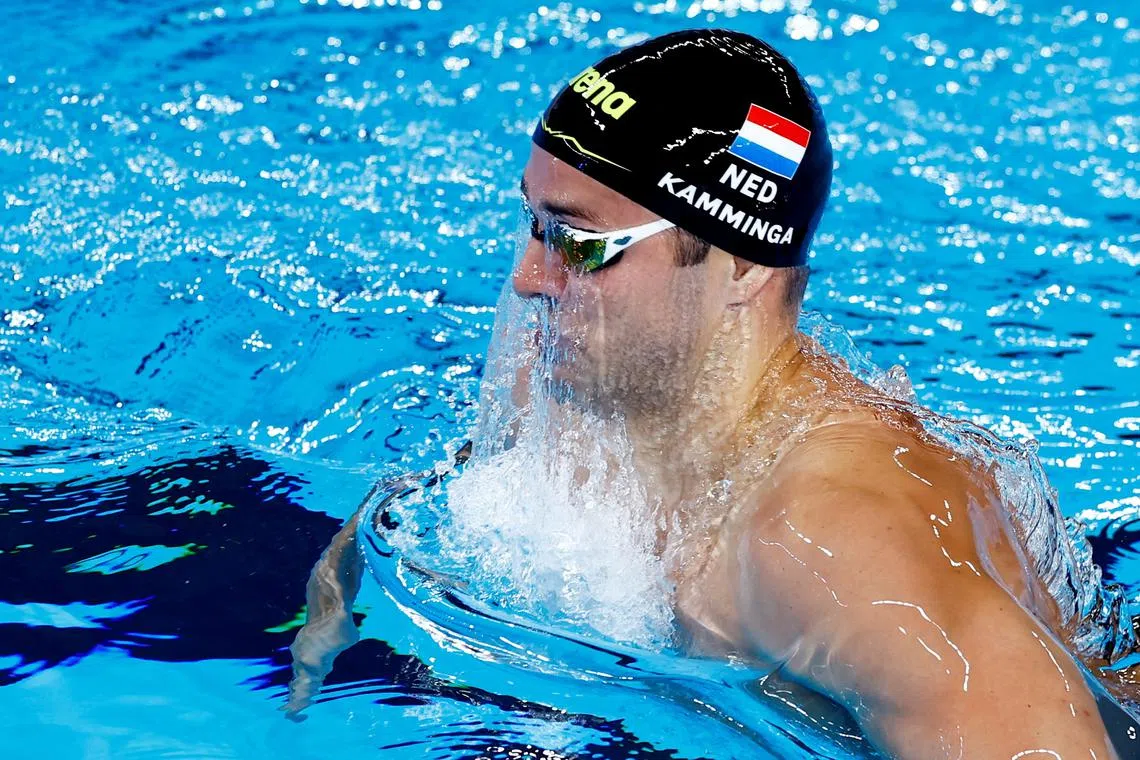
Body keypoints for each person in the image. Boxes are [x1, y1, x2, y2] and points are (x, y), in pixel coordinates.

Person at [290, 29, 1138, 758]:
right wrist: (327, 615)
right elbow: (436, 497)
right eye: (532, 223)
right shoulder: (572, 373)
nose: (529, 278)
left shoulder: (838, 544)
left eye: (580, 245)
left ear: (739, 266)